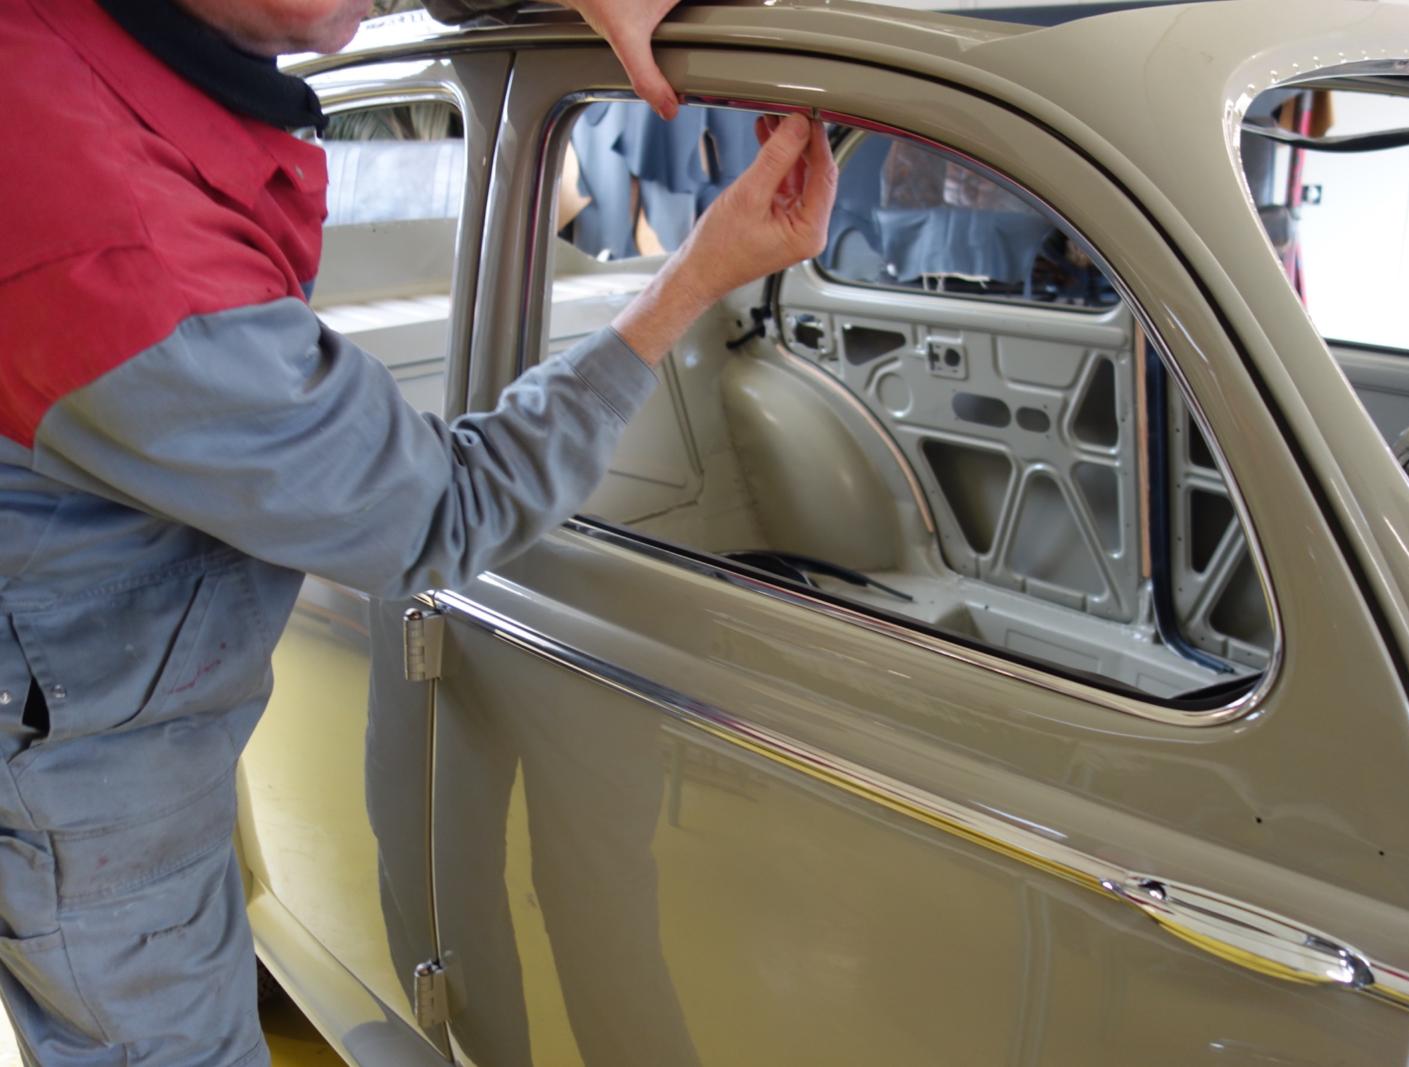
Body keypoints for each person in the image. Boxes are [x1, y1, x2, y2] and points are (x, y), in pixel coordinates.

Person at [0, 0, 838, 1063]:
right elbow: (445, 509)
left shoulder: (79, 57)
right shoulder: (127, 256)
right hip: (88, 776)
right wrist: (695, 277)